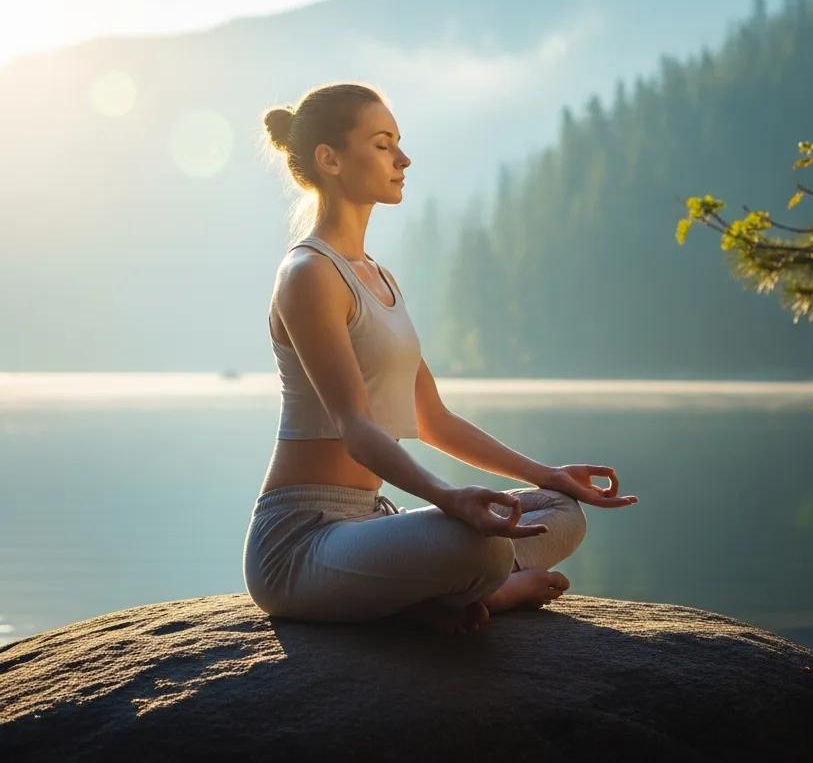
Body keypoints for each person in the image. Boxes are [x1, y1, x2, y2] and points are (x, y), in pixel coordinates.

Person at [243, 81, 639, 636]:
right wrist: (448, 499)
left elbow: (433, 419)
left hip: (369, 525)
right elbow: (355, 427)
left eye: (399, 143)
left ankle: (444, 595)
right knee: (481, 545)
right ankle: (484, 588)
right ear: (330, 159)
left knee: (560, 513)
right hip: (301, 542)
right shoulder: (309, 274)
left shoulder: (379, 277)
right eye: (383, 145)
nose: (403, 159)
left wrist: (549, 475)